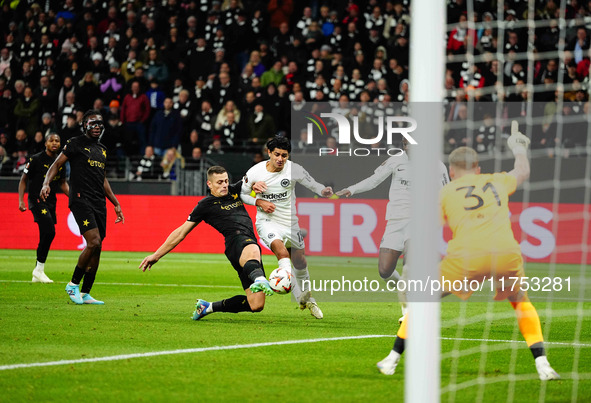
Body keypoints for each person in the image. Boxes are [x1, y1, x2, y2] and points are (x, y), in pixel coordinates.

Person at [377, 122, 560, 381]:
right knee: (520, 300)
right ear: (478, 169)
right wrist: (518, 146)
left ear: (451, 172)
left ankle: (391, 359)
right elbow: (522, 171)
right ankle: (543, 365)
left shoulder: (445, 192)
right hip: (505, 254)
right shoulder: (496, 181)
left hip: (467, 257)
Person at [139, 165, 274, 320]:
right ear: (209, 184)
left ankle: (207, 307)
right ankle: (260, 279)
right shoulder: (205, 205)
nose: (224, 185)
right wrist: (156, 255)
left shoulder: (235, 190)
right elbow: (181, 232)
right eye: (219, 182)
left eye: (226, 181)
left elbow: (251, 183)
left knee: (256, 305)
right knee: (252, 249)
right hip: (236, 243)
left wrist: (255, 184)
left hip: (246, 247)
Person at [336, 139, 450, 322]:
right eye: (405, 144)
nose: (408, 148)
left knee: (409, 267)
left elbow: (447, 193)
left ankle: (409, 311)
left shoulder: (436, 166)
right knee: (385, 270)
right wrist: (351, 190)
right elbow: (374, 180)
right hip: (395, 222)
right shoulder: (396, 160)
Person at [240, 136, 333, 319]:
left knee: (300, 262)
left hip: (290, 223)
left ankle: (308, 299)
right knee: (282, 253)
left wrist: (323, 190)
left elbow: (312, 183)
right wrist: (258, 201)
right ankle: (295, 293)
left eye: (284, 155)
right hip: (267, 222)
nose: (280, 159)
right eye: (277, 155)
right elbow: (243, 195)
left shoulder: (294, 170)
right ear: (269, 153)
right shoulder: (256, 172)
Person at [41, 110, 125, 305]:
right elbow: (56, 164)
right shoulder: (74, 143)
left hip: (98, 202)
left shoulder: (102, 149)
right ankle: (72, 284)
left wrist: (116, 203)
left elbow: (103, 179)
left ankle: (86, 293)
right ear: (84, 125)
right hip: (80, 198)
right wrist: (46, 183)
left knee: (98, 247)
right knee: (93, 241)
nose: (97, 126)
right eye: (93, 123)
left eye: (100, 123)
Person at [18, 133, 69, 283]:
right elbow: (23, 180)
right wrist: (21, 200)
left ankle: (38, 271)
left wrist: (74, 196)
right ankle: (39, 269)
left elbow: (63, 183)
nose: (54, 143)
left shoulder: (61, 162)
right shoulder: (36, 159)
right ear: (45, 143)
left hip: (51, 202)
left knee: (46, 235)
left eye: (57, 141)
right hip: (37, 200)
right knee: (49, 231)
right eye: (51, 140)